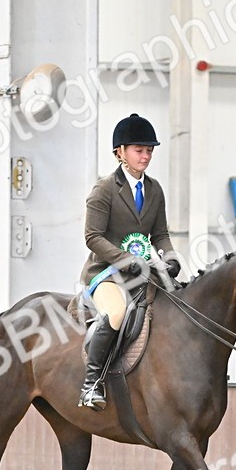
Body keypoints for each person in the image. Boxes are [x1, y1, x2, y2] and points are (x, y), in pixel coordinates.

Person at [78, 113, 182, 410]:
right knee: (117, 312)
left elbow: (160, 234)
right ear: (120, 152)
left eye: (149, 150)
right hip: (107, 273)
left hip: (146, 271)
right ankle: (91, 383)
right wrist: (126, 260)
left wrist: (171, 258)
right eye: (139, 150)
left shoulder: (155, 190)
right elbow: (92, 236)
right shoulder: (104, 190)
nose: (146, 156)